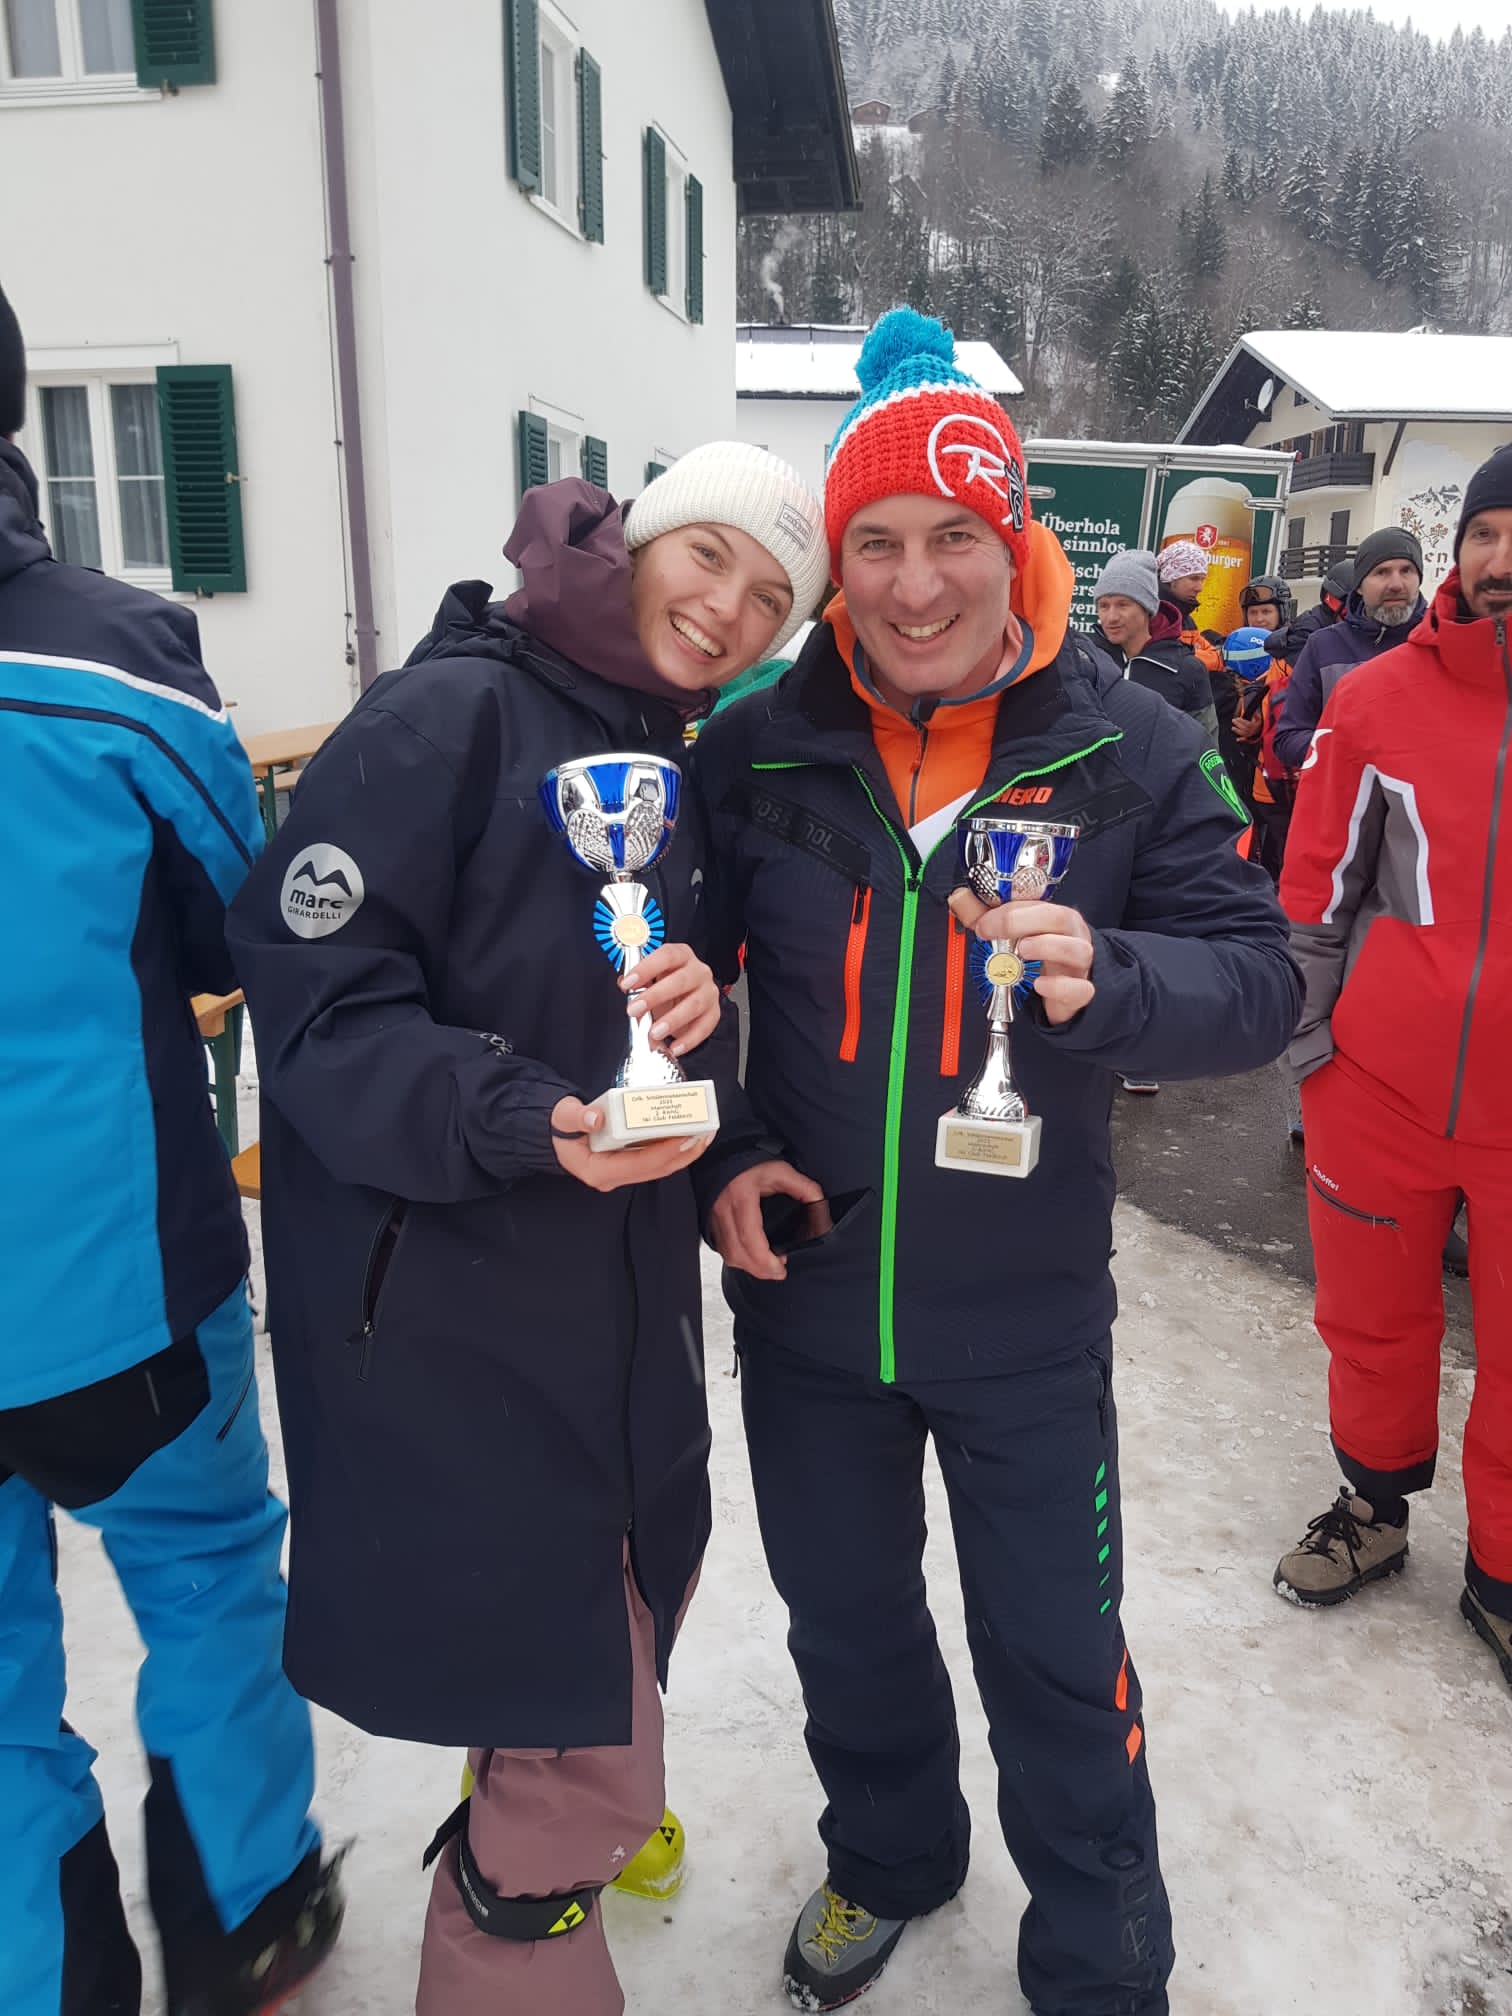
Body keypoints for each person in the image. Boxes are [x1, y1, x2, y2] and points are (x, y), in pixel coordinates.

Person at [692, 308, 1302, 2016]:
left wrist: (1122, 981)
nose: (912, 585)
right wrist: (720, 1150)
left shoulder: (1134, 744)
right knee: (846, 1626)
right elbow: (663, 990)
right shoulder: (754, 746)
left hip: (1024, 1319)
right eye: (875, 542)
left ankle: (1099, 1959)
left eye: (952, 535)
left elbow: (1261, 978)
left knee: (1053, 1651)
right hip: (809, 1303)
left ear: (1014, 532)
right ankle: (889, 1857)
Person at [225, 444, 830, 2016]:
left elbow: (625, 1015)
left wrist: (702, 1070)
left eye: (772, 598)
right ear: (640, 535)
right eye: (711, 556)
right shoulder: (446, 718)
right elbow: (321, 1019)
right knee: (578, 1757)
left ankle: (534, 1831)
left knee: (582, 1658)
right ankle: (518, 1911)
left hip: (609, 1318)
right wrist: (529, 1119)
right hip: (455, 1321)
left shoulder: (654, 750)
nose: (731, 609)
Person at [0, 282, 342, 2016]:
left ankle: (40, 1974)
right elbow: (245, 916)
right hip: (116, 1281)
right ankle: (244, 1921)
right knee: (205, 1576)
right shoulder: (109, 658)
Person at [1273, 441, 1512, 1698]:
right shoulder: (1374, 701)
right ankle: (1372, 1508)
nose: (1503, 558)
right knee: (1372, 1322)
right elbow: (1316, 886)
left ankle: (1505, 1573)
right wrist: (1314, 1050)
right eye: (1488, 533)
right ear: (1459, 550)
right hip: (1380, 1091)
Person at [1270, 528, 1427, 772]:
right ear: (1360, 585)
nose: (1396, 584)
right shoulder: (1323, 646)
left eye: (1406, 570)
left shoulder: (1442, 642)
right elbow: (1287, 739)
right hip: (1344, 793)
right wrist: (1350, 749)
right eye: (1381, 572)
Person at [1092, 548, 1221, 744]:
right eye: (1103, 606)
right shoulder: (1086, 660)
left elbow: (1205, 748)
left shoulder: (1186, 669)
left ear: (1147, 607)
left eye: (1122, 605)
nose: (1111, 617)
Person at [1156, 539, 1241, 780]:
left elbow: (1204, 651)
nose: (1200, 587)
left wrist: (1213, 657)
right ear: (1172, 577)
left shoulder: (1185, 617)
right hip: (1170, 712)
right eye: (1194, 578)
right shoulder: (1158, 613)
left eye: (1202, 579)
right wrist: (1210, 660)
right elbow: (1171, 659)